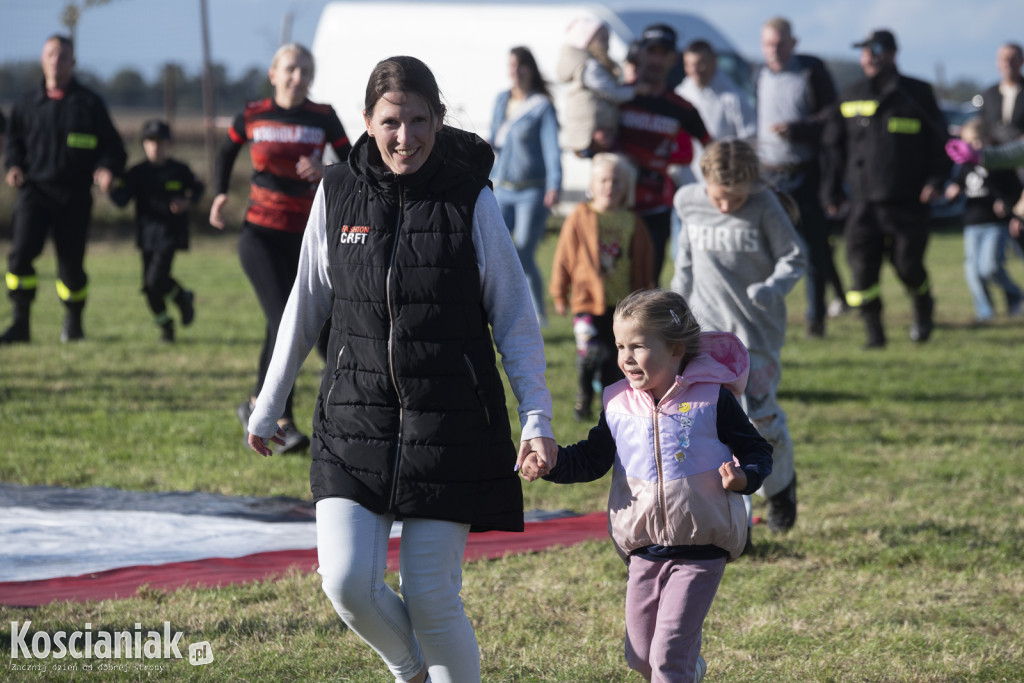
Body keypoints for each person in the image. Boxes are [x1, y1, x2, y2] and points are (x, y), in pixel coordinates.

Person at [246, 55, 557, 683]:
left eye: (419, 120)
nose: (405, 137)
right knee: (344, 581)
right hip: (352, 423)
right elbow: (304, 304)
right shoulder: (335, 193)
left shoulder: (471, 198)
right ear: (366, 121)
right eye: (391, 121)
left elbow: (516, 319)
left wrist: (537, 417)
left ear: (439, 121)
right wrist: (268, 401)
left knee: (433, 598)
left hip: (449, 429)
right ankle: (412, 671)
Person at [521, 288, 773, 683]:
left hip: (701, 546)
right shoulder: (617, 404)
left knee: (668, 654)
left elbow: (757, 449)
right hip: (643, 549)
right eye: (620, 345)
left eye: (638, 346)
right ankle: (689, 671)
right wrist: (550, 464)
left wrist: (745, 478)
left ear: (675, 349)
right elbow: (591, 458)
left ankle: (680, 670)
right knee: (640, 657)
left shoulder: (712, 400)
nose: (625, 357)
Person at [210, 43, 351, 453]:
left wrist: (326, 170)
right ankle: (279, 418)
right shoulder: (253, 113)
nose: (298, 77)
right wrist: (219, 194)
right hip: (259, 235)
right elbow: (225, 150)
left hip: (307, 237)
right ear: (273, 73)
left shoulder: (322, 116)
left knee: (287, 322)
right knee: (285, 320)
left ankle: (257, 404)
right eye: (291, 69)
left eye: (306, 70)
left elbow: (355, 162)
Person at [671, 139, 805, 537]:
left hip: (755, 334)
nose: (726, 206)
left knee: (760, 419)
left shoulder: (765, 205)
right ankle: (733, 521)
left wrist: (772, 287)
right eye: (719, 197)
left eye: (736, 198)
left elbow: (793, 257)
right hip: (706, 334)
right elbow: (686, 262)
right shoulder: (689, 202)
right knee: (710, 423)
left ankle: (781, 487)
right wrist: (674, 312)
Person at [823, 29, 950, 349]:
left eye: (875, 50)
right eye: (863, 51)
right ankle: (874, 333)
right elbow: (834, 148)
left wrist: (936, 181)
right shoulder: (850, 93)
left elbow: (941, 144)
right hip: (862, 203)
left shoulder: (916, 93)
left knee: (909, 266)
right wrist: (831, 191)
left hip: (907, 201)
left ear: (892, 53)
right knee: (862, 272)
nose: (868, 56)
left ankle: (923, 308)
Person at [2, 34, 126, 344]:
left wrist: (107, 168)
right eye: (51, 54)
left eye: (63, 55)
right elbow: (13, 143)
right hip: (35, 192)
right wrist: (13, 166)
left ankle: (73, 324)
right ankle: (20, 324)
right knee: (19, 258)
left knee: (71, 266)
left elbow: (114, 148)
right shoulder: (27, 104)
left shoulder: (89, 103)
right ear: (43, 59)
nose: (56, 60)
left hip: (74, 195)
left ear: (73, 62)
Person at [549, 152, 654, 421]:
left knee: (615, 359)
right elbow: (563, 257)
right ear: (593, 185)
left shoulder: (633, 222)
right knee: (589, 353)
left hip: (621, 307)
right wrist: (559, 293)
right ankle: (583, 397)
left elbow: (643, 264)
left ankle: (609, 407)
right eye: (604, 180)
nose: (610, 186)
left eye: (616, 181)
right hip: (586, 302)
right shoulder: (579, 216)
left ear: (626, 188)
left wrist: (645, 299)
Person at [757, 17, 844, 338]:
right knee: (764, 252)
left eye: (780, 44)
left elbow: (831, 118)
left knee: (813, 252)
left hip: (805, 176)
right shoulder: (761, 75)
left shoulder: (809, 74)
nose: (774, 50)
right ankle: (764, 317)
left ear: (793, 44)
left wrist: (798, 129)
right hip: (770, 176)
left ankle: (815, 318)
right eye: (768, 44)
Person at [617, 24, 711, 286]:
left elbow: (711, 146)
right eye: (652, 52)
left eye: (664, 53)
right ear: (641, 54)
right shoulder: (618, 96)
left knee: (647, 286)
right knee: (609, 285)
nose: (657, 60)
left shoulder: (681, 107)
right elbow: (584, 144)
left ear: (673, 59)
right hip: (614, 204)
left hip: (655, 208)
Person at [109, 119, 204, 342]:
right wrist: (109, 189)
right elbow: (122, 200)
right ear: (143, 144)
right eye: (150, 141)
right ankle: (167, 324)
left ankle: (181, 297)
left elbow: (198, 190)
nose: (155, 146)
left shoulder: (179, 170)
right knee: (150, 289)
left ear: (169, 144)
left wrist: (186, 202)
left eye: (160, 142)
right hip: (146, 236)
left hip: (171, 234)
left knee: (154, 280)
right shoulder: (137, 172)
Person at [490, 46, 562, 326]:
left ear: (530, 69)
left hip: (532, 190)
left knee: (523, 251)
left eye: (521, 66)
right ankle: (498, 308)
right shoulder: (501, 100)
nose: (515, 71)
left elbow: (551, 147)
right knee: (493, 248)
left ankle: (537, 313)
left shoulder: (541, 105)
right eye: (511, 65)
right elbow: (494, 138)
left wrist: (554, 185)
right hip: (502, 186)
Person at [944, 118, 1022, 321]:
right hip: (972, 223)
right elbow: (958, 185)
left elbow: (1014, 191)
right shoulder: (965, 166)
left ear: (987, 139)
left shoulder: (1001, 165)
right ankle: (985, 313)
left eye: (976, 141)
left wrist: (1008, 206)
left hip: (995, 224)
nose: (971, 146)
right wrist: (953, 191)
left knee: (989, 267)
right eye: (967, 142)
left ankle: (1015, 296)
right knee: (973, 272)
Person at [556, 17, 635, 157]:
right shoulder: (590, 67)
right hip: (592, 138)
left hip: (591, 135)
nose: (607, 44)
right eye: (602, 39)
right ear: (587, 41)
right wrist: (635, 91)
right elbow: (611, 92)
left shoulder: (586, 66)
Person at [677, 39, 755, 149]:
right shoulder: (681, 94)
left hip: (723, 165)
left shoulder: (734, 97)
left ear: (714, 61)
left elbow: (749, 138)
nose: (694, 70)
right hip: (689, 165)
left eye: (700, 63)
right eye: (688, 64)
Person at [978, 43, 1024, 144]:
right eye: (1003, 59)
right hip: (995, 152)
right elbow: (983, 121)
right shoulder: (989, 94)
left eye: (1012, 59)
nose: (1008, 63)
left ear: (1021, 61)